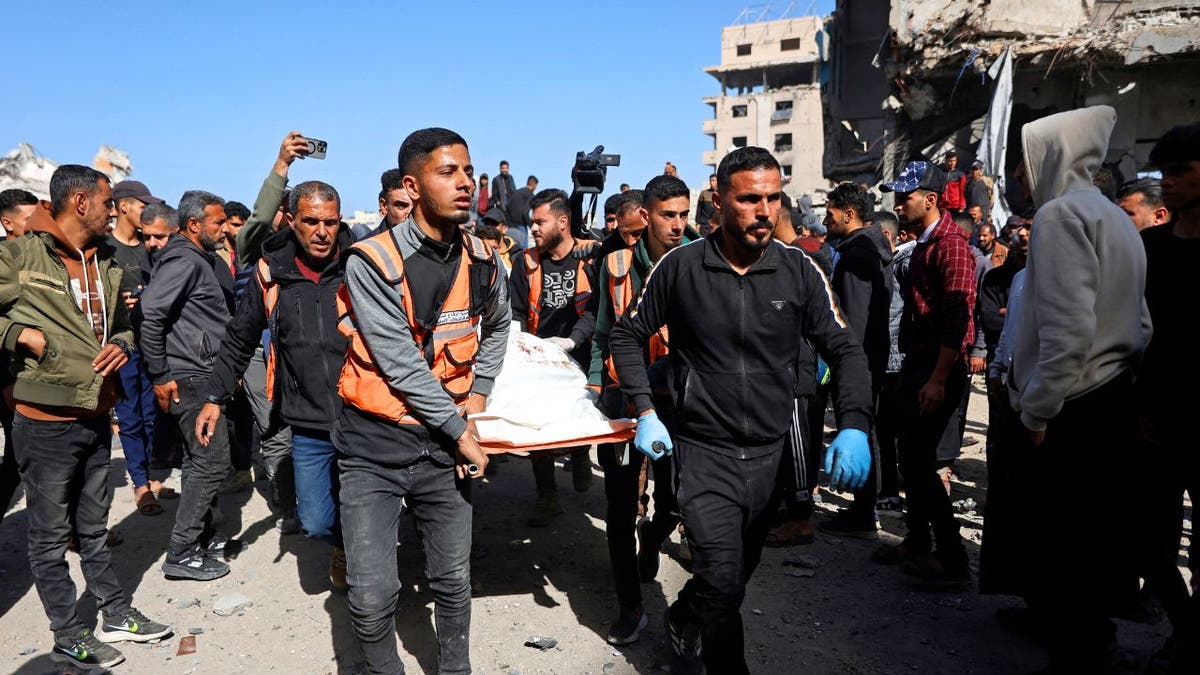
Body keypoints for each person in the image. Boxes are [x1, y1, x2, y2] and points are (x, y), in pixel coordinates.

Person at [611, 146, 873, 675]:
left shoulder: (800, 269)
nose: (764, 210)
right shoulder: (680, 267)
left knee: (732, 575)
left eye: (773, 198)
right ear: (719, 201)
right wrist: (645, 410)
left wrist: (854, 425)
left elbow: (844, 348)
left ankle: (684, 616)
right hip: (703, 453)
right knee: (725, 583)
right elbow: (626, 334)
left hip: (771, 456)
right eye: (750, 198)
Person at [333, 127, 506, 674]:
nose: (465, 183)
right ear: (412, 184)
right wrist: (463, 435)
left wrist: (477, 397)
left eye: (468, 171)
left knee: (453, 581)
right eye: (448, 172)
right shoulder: (372, 260)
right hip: (373, 449)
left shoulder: (483, 258)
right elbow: (400, 364)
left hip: (442, 451)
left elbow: (500, 326)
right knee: (371, 594)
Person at [0, 165, 171, 670]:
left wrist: (121, 343)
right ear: (79, 203)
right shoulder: (19, 254)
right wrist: (20, 336)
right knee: (50, 537)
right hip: (43, 418)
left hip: (97, 411)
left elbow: (122, 324)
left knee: (92, 528)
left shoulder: (110, 263)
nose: (113, 210)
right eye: (106, 202)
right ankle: (67, 633)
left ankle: (115, 612)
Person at [1009, 105, 1150, 672]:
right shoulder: (1114, 217)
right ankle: (1093, 635)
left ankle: (1075, 650)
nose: (1019, 176)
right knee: (1096, 534)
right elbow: (1141, 322)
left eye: (1025, 162)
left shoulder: (1059, 217)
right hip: (1110, 395)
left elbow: (1067, 333)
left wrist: (1038, 411)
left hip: (1075, 404)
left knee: (1065, 538)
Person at [197, 180, 352, 591]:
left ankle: (359, 561)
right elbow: (239, 336)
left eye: (331, 222)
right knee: (316, 521)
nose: (322, 232)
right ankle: (338, 542)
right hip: (307, 421)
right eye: (311, 221)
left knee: (363, 508)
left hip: (360, 415)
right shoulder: (272, 272)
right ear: (292, 220)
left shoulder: (358, 263)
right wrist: (215, 396)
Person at [589, 174, 693, 645]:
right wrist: (595, 382)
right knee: (617, 506)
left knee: (676, 500)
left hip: (678, 400)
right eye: (668, 215)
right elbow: (604, 329)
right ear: (646, 217)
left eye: (683, 214)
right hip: (623, 395)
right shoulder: (613, 263)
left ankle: (653, 536)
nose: (677, 225)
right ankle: (631, 606)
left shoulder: (699, 259)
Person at [875, 160, 976, 586]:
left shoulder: (951, 245)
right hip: (920, 363)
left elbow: (957, 316)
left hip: (939, 366)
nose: (899, 204)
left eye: (906, 196)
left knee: (921, 461)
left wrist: (936, 378)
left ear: (931, 200)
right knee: (910, 459)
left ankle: (952, 561)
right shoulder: (926, 243)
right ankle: (918, 540)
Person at [139, 189, 237, 581]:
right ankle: (181, 551)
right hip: (190, 376)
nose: (225, 228)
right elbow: (150, 313)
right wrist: (161, 375)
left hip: (202, 372)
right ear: (194, 225)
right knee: (211, 461)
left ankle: (203, 536)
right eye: (218, 222)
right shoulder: (182, 258)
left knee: (204, 458)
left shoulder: (198, 258)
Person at [1134, 123, 1200, 672]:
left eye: (1182, 172)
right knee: (1151, 546)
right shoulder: (1150, 248)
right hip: (1155, 421)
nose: (1169, 183)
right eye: (1167, 172)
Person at [508, 188, 599, 526]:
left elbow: (596, 309)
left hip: (582, 352)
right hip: (539, 357)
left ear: (563, 222)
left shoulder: (590, 256)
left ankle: (579, 454)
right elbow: (516, 309)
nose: (533, 228)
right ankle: (547, 495)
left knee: (580, 415)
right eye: (531, 222)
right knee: (537, 425)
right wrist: (521, 347)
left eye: (539, 222)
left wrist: (573, 341)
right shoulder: (525, 261)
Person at [232, 132, 306, 534]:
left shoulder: (311, 251)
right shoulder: (253, 245)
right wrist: (282, 164)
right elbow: (260, 218)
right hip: (261, 355)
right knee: (274, 430)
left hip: (297, 353)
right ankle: (288, 503)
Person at [817, 183, 894, 539]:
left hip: (860, 359)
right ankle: (865, 507)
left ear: (849, 214)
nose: (824, 219)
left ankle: (863, 512)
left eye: (830, 212)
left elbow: (852, 322)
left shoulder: (857, 257)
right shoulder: (870, 248)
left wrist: (847, 366)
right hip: (871, 356)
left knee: (862, 429)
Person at [106, 180, 171, 516]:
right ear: (122, 207)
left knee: (153, 415)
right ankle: (141, 485)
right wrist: (119, 305)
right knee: (129, 416)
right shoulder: (103, 248)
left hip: (153, 342)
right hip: (122, 346)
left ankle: (148, 474)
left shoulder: (151, 247)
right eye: (141, 204)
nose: (147, 210)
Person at [505, 174, 538, 249]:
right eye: (536, 186)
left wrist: (508, 221)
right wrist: (531, 225)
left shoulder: (517, 192)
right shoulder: (530, 194)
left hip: (511, 225)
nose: (536, 188)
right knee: (523, 250)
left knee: (511, 248)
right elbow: (525, 212)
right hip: (521, 225)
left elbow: (507, 206)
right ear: (533, 184)